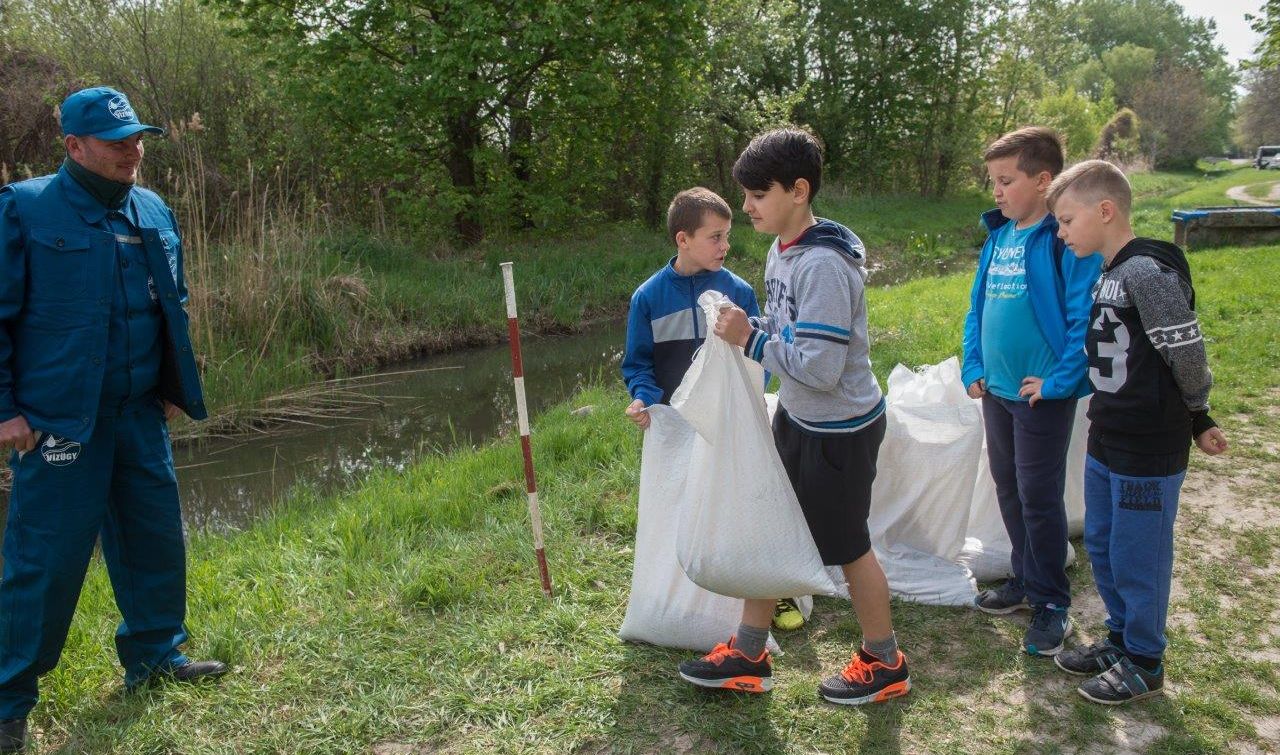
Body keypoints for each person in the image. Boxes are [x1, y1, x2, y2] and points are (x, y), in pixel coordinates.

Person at [0, 87, 226, 754]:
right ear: (74, 145)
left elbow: (170, 304)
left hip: (138, 412)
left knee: (154, 539)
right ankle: (9, 700)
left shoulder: (153, 208)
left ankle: (157, 655)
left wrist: (171, 382)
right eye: (116, 139)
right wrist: (5, 409)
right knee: (43, 560)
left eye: (138, 137)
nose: (133, 149)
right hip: (58, 420)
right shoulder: (25, 209)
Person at [682, 128, 909, 706]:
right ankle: (750, 652)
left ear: (799, 191)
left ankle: (886, 663)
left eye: (759, 194)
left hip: (842, 429)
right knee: (771, 521)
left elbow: (821, 367)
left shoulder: (823, 266)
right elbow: (791, 341)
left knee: (849, 546)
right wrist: (751, 332)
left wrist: (750, 337)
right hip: (801, 418)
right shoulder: (780, 251)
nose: (748, 207)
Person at [1047, 159, 1228, 704]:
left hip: (1149, 445)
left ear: (1105, 211)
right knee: (1102, 543)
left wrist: (1198, 414)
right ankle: (1122, 640)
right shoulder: (1108, 273)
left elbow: (1186, 355)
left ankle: (1146, 660)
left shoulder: (1148, 274)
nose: (1061, 232)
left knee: (1139, 552)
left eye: (1066, 220)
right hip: (1108, 434)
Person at [961, 127, 1102, 657]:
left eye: (1006, 180)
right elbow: (977, 306)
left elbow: (1081, 317)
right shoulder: (999, 236)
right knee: (1008, 488)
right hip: (996, 390)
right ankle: (1025, 579)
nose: (996, 192)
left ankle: (1052, 603)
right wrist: (973, 363)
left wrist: (1060, 380)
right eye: (992, 182)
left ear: (1043, 181)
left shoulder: (1065, 240)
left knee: (1039, 498)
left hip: (1040, 395)